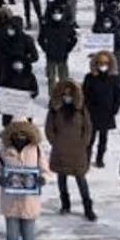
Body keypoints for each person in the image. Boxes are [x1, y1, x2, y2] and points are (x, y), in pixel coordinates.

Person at [45, 80, 96, 221]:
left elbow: (88, 128)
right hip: (60, 150)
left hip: (77, 151)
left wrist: (83, 143)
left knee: (81, 179)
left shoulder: (81, 109)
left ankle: (88, 208)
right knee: (62, 179)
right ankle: (65, 205)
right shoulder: (55, 109)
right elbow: (49, 128)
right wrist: (55, 142)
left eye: (70, 94)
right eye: (65, 94)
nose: (67, 96)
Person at [82, 50, 120, 169]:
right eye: (100, 63)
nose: (102, 65)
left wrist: (114, 109)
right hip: (92, 113)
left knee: (103, 139)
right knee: (90, 139)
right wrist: (87, 109)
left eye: (105, 63)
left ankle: (100, 159)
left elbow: (117, 95)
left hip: (107, 113)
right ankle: (86, 159)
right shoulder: (90, 77)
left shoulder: (113, 78)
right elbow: (85, 94)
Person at [37, 4, 77, 95]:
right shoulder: (47, 26)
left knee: (64, 78)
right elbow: (40, 39)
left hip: (62, 56)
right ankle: (52, 97)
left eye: (59, 13)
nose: (56, 15)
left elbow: (73, 38)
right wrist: (46, 48)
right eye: (54, 13)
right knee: (51, 78)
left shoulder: (67, 26)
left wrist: (68, 48)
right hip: (50, 56)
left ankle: (63, 96)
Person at [93, 0, 120, 76]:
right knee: (105, 66)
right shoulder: (102, 15)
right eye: (112, 3)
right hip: (105, 45)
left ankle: (117, 85)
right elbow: (95, 29)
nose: (114, 5)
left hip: (118, 45)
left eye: (116, 3)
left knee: (117, 68)